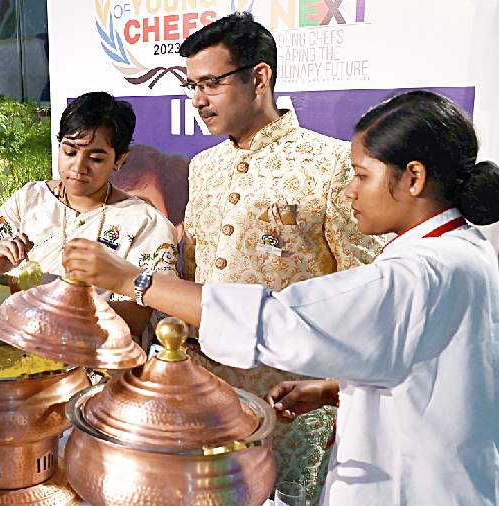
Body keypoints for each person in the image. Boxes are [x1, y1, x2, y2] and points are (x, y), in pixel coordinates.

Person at [63, 90, 499, 505]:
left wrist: (132, 281)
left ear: (412, 178)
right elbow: (426, 362)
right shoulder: (463, 248)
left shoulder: (418, 272)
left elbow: (276, 319)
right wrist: (335, 388)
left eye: (361, 175)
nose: (351, 190)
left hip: (416, 487)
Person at [176, 12, 385, 497]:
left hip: (294, 401)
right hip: (210, 394)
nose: (198, 100)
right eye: (191, 86)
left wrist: (333, 388)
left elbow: (365, 284)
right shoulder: (202, 168)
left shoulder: (330, 164)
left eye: (210, 83)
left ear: (259, 77)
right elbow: (196, 265)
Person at [0, 91, 177, 337]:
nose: (78, 167)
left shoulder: (143, 222)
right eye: (70, 152)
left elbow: (136, 318)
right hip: (27, 355)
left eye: (95, 158)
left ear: (119, 160)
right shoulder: (30, 199)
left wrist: (56, 310)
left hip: (99, 366)